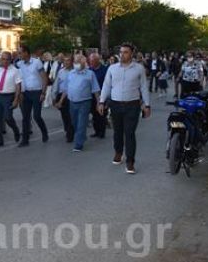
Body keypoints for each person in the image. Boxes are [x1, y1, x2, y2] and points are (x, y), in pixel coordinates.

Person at [98, 43, 151, 174]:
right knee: (117, 132)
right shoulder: (112, 68)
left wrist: (147, 105)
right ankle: (118, 152)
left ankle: (130, 161)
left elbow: (144, 87)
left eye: (125, 52)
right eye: (121, 52)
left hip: (132, 105)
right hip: (115, 104)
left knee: (130, 133)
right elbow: (106, 85)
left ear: (131, 53)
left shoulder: (139, 69)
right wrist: (101, 101)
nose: (122, 54)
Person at [56, 54, 100, 152]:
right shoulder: (71, 73)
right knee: (75, 122)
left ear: (84, 63)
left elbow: (95, 89)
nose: (76, 64)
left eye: (79, 62)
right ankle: (82, 136)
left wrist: (98, 103)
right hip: (72, 102)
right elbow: (66, 89)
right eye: (75, 62)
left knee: (81, 123)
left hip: (85, 102)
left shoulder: (90, 74)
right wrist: (60, 101)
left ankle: (78, 144)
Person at [15, 44, 49, 147]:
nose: (19, 54)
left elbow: (44, 78)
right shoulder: (19, 64)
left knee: (37, 116)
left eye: (20, 52)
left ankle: (44, 132)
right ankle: (25, 140)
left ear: (26, 52)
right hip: (25, 93)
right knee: (25, 117)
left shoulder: (37, 62)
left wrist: (43, 92)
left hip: (37, 92)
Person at [0, 51, 22, 146]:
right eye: (3, 59)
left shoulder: (15, 70)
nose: (5, 61)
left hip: (8, 96)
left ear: (11, 60)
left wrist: (16, 99)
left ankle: (15, 130)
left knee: (8, 117)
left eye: (7, 59)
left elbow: (18, 85)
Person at [53, 54, 75, 143]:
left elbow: (69, 87)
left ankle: (70, 133)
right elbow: (56, 84)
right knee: (64, 115)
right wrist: (54, 97)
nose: (66, 62)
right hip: (61, 94)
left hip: (70, 96)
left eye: (68, 60)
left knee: (69, 115)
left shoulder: (74, 72)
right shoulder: (61, 71)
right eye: (65, 60)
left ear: (72, 62)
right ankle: (68, 129)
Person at [89, 53, 108, 138]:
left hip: (102, 94)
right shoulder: (89, 70)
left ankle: (102, 132)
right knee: (94, 115)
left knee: (101, 114)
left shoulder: (105, 70)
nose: (91, 63)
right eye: (90, 61)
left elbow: (108, 83)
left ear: (97, 60)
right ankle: (96, 131)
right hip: (91, 95)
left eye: (93, 61)